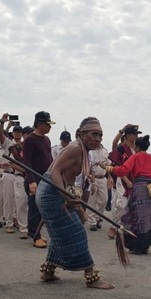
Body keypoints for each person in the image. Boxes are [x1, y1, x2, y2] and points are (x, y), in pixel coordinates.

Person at [37, 117, 114, 289]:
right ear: (81, 134)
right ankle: (91, 276)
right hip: (52, 193)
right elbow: (55, 171)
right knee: (76, 232)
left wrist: (72, 198)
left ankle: (48, 270)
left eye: (100, 135)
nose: (98, 139)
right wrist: (65, 196)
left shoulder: (84, 151)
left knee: (62, 233)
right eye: (94, 134)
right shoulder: (75, 148)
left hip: (57, 191)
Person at [105, 135, 151, 254]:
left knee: (134, 216)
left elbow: (123, 170)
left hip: (140, 189)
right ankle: (146, 245)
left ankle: (136, 244)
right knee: (149, 217)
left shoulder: (135, 156)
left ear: (137, 147)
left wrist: (110, 169)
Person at [22, 111, 55, 248]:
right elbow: (26, 162)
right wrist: (31, 181)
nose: (50, 127)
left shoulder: (46, 139)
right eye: (48, 124)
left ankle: (39, 233)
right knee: (34, 208)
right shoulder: (30, 139)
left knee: (44, 208)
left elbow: (50, 159)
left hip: (46, 177)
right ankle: (35, 235)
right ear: (40, 124)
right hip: (34, 177)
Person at [0, 115, 28, 237]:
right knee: (8, 200)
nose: (17, 133)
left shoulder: (26, 144)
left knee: (21, 201)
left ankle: (22, 226)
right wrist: (2, 123)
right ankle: (9, 223)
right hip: (9, 173)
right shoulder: (9, 143)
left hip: (20, 174)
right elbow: (0, 136)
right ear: (13, 133)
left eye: (19, 132)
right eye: (15, 131)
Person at [107, 124, 139, 239]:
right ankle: (113, 227)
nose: (136, 136)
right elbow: (118, 163)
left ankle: (126, 229)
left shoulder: (136, 149)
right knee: (121, 205)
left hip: (134, 179)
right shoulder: (121, 149)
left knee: (132, 205)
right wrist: (122, 130)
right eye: (134, 134)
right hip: (122, 179)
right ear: (129, 135)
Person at [86, 144, 110, 232]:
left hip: (103, 178)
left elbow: (109, 165)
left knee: (104, 200)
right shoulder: (90, 151)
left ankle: (97, 217)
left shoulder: (105, 151)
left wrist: (110, 178)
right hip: (92, 178)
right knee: (92, 200)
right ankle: (92, 222)